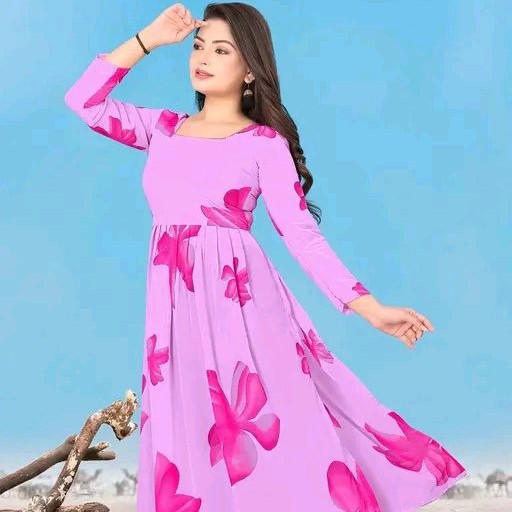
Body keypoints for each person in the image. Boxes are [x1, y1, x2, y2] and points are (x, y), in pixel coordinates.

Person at [63, 2, 467, 510]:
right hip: (174, 318)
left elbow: (302, 236)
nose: (203, 58)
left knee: (279, 426)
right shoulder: (163, 130)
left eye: (222, 50)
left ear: (250, 69)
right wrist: (150, 38)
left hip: (242, 310)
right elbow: (84, 100)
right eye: (199, 46)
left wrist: (370, 309)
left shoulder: (263, 144)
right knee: (186, 430)